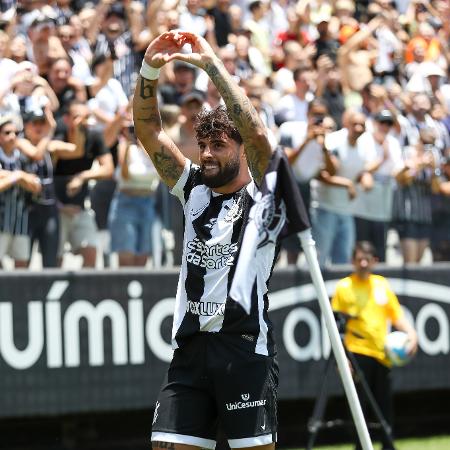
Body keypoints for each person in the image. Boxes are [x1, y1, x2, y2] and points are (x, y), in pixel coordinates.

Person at [133, 30, 308, 450]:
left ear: (242, 150)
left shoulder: (264, 196)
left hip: (245, 350)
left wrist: (212, 65)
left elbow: (261, 137)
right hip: (191, 351)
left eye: (218, 145)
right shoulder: (192, 188)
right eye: (203, 144)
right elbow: (149, 132)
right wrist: (150, 69)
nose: (206, 153)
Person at [332, 241, 418, 450]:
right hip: (356, 354)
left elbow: (396, 315)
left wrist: (412, 334)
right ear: (352, 261)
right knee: (360, 409)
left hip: (382, 354)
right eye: (358, 258)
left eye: (366, 259)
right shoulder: (344, 287)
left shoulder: (381, 284)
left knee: (385, 409)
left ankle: (388, 447)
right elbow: (334, 326)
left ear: (375, 261)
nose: (362, 263)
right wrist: (341, 357)